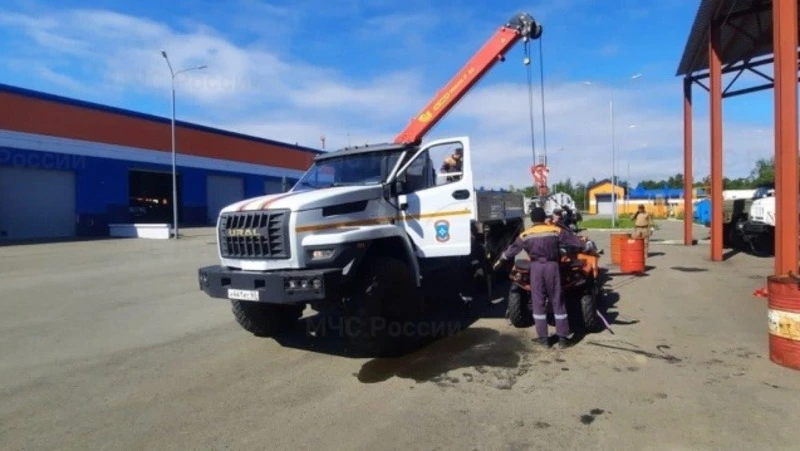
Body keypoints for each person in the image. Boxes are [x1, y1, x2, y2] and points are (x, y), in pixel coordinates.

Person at [493, 207, 586, 349]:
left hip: (536, 268)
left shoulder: (526, 235)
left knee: (538, 302)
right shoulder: (555, 230)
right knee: (557, 300)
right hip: (552, 267)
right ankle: (563, 339)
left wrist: (500, 261)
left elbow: (512, 250)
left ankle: (543, 339)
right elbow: (574, 241)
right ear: (544, 218)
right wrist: (586, 246)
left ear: (532, 219)